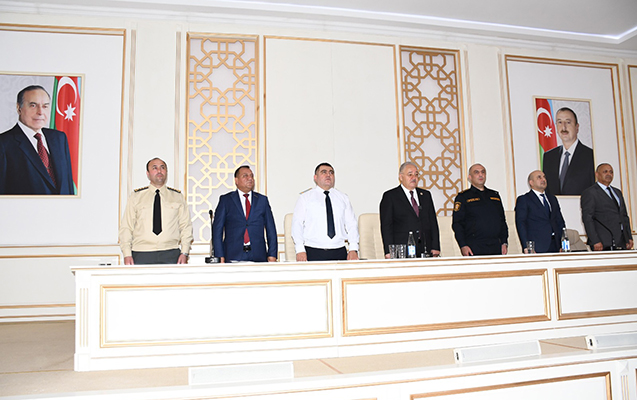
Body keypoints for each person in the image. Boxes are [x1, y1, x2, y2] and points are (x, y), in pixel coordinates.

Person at [0, 85, 74, 195]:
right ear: (19, 108)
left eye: (45, 106)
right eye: (33, 105)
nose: (40, 112)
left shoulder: (59, 138)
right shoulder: (4, 143)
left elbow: (68, 185)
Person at [119, 157, 194, 264]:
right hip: (142, 253)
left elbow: (186, 226)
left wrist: (185, 252)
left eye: (162, 168)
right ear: (148, 173)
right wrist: (127, 254)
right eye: (154, 168)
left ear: (166, 172)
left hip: (171, 253)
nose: (159, 171)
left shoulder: (177, 197)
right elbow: (126, 227)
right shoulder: (136, 197)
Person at [291, 162, 359, 261]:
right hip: (313, 250)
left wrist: (353, 248)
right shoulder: (305, 198)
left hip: (339, 250)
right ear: (315, 177)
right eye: (324, 172)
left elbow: (351, 224)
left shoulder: (343, 198)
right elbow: (297, 224)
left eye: (331, 172)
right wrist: (300, 249)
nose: (328, 175)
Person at [212, 166, 278, 262]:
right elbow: (217, 230)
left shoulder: (262, 200)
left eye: (251, 176)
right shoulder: (226, 200)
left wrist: (272, 254)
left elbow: (271, 229)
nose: (250, 178)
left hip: (258, 256)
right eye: (245, 176)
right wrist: (219, 256)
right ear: (236, 180)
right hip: (233, 255)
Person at [379, 161, 440, 257]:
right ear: (401, 177)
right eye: (410, 174)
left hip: (425, 249)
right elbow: (386, 226)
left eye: (416, 174)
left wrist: (435, 246)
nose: (414, 177)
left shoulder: (425, 195)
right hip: (402, 250)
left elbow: (433, 222)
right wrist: (389, 251)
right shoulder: (390, 196)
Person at [452, 163, 508, 256]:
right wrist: (463, 245)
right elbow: (457, 224)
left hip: (496, 246)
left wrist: (504, 242)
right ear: (470, 177)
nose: (480, 175)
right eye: (476, 172)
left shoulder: (495, 195)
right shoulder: (463, 197)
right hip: (474, 246)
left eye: (483, 172)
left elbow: (502, 221)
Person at [580, 163, 633, 251]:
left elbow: (624, 216)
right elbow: (587, 218)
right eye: (605, 172)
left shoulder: (617, 192)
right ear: (597, 174)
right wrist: (595, 240)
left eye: (611, 172)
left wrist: (629, 237)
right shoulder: (590, 193)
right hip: (603, 242)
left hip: (621, 241)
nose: (609, 174)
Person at [542, 107, 594, 196]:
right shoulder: (549, 157)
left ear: (577, 127)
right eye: (559, 122)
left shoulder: (591, 156)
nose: (563, 127)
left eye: (568, 122)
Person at [515, 170, 566, 253]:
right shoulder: (524, 199)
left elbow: (560, 222)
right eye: (539, 177)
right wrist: (526, 246)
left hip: (556, 246)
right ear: (531, 182)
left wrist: (562, 245)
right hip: (537, 246)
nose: (543, 179)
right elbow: (521, 224)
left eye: (544, 177)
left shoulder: (552, 199)